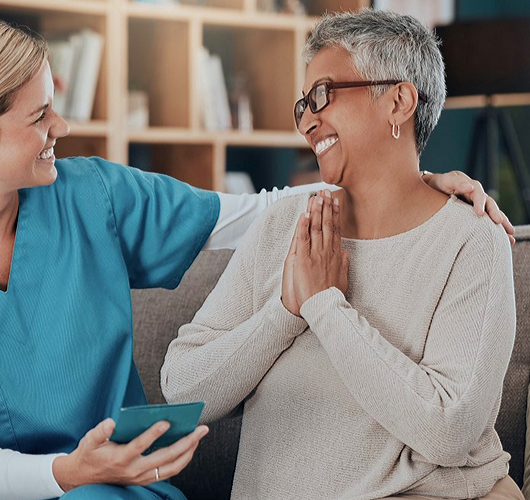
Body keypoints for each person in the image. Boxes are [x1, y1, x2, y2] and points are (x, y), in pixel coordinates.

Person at [0, 12, 512, 500]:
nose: (61, 129)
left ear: (400, 101)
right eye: (39, 117)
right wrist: (67, 475)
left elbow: (252, 212)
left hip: (118, 486)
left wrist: (413, 184)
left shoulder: (90, 194)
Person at [161, 9, 523, 500]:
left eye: (323, 95)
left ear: (399, 101)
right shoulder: (282, 227)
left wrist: (326, 307)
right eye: (303, 105)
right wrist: (287, 312)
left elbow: (449, 430)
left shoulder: (470, 242)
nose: (308, 120)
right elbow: (181, 389)